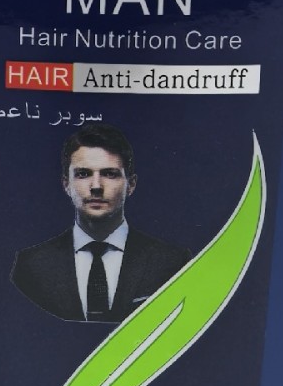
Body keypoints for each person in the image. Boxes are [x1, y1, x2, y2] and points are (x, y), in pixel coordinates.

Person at [10, 125, 188, 323]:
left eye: (110, 174)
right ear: (66, 184)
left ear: (131, 185)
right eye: (83, 174)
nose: (96, 186)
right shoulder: (31, 265)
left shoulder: (172, 263)